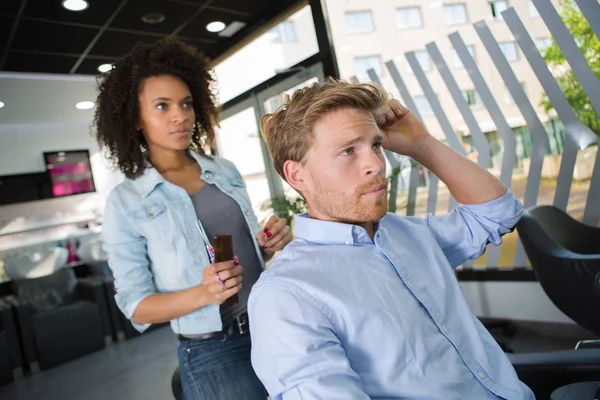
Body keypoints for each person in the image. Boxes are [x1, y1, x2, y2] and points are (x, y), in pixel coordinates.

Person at [248, 79, 534, 399]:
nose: (375, 164)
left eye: (375, 145)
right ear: (297, 175)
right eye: (347, 151)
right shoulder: (286, 295)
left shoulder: (408, 234)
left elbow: (498, 213)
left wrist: (421, 143)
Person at [94, 38, 292, 400]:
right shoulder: (126, 202)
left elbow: (234, 259)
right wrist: (204, 294)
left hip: (273, 325)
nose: (180, 115)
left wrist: (269, 243)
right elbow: (136, 305)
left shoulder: (225, 170)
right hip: (213, 350)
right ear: (136, 118)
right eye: (161, 106)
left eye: (186, 103)